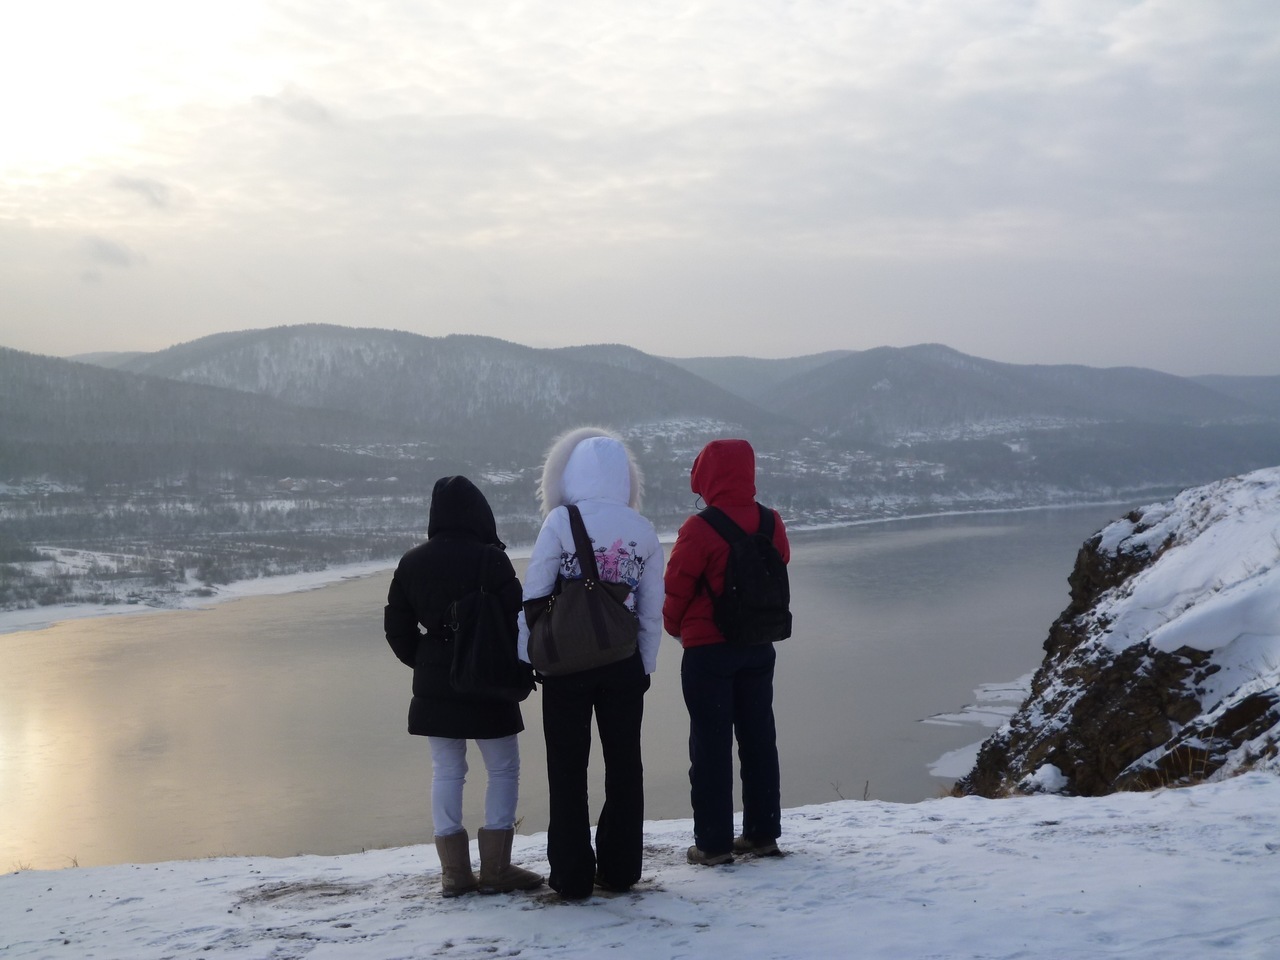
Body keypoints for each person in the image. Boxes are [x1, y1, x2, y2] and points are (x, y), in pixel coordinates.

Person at [518, 426, 664, 899]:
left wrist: (527, 656)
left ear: (570, 474)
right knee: (624, 766)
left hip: (566, 666)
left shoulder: (560, 522)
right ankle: (620, 868)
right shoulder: (642, 530)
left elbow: (534, 595)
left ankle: (571, 875)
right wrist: (644, 666)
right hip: (623, 663)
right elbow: (651, 611)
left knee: (566, 769)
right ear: (625, 478)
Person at [384, 475, 543, 897]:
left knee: (447, 770)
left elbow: (397, 630)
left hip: (436, 685)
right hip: (490, 681)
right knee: (503, 768)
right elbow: (520, 620)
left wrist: (427, 661)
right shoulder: (491, 559)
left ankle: (454, 873)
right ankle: (496, 868)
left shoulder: (411, 562)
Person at [663, 438, 790, 865]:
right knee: (759, 740)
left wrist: (674, 628)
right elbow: (780, 563)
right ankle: (762, 835)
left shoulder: (699, 528)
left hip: (709, 652)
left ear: (706, 476)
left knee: (710, 746)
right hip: (758, 645)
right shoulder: (771, 521)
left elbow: (677, 586)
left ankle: (713, 844)